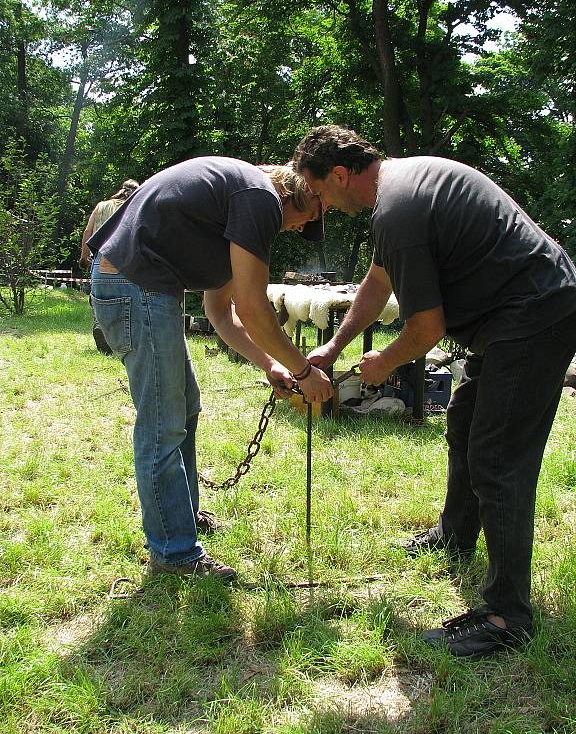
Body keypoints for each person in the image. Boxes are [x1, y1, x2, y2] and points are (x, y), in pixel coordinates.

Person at [293, 124, 576, 658]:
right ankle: (455, 535)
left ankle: (506, 615)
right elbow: (377, 285)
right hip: (507, 316)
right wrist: (332, 349)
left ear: (339, 174)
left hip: (536, 314)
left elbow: (425, 330)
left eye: (321, 192)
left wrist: (382, 363)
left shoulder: (398, 210)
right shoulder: (397, 193)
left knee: (498, 459)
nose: (323, 204)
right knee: (465, 425)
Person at [87, 157, 333, 581]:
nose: (298, 228)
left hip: (145, 288)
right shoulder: (259, 200)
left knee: (185, 410)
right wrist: (304, 371)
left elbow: (222, 313)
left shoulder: (238, 210)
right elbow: (255, 311)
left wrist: (272, 364)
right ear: (300, 194)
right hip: (133, 287)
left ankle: (180, 517)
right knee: (163, 424)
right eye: (306, 218)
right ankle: (174, 550)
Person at [80, 179, 140, 353]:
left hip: (101, 258)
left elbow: (88, 232)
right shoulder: (136, 206)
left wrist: (84, 257)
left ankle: (100, 325)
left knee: (99, 297)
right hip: (127, 260)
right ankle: (123, 340)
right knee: (128, 299)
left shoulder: (102, 206)